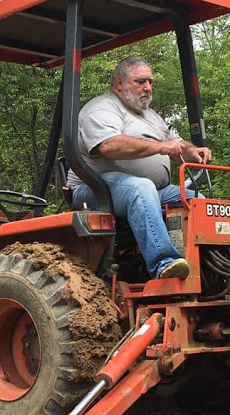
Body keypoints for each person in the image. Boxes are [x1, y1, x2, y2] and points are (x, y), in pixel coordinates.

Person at [67, 56, 211, 280]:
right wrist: (161, 147)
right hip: (96, 189)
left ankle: (208, 268)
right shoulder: (100, 109)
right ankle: (164, 264)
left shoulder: (151, 116)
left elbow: (176, 143)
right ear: (119, 83)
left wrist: (193, 151)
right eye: (141, 81)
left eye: (151, 82)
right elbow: (109, 145)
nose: (148, 87)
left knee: (198, 201)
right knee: (140, 188)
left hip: (154, 190)